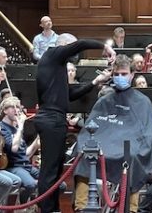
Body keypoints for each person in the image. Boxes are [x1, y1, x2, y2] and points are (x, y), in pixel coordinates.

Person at [34, 33, 115, 213]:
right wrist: (104, 46)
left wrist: (95, 81)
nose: (74, 52)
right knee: (50, 171)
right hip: (51, 119)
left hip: (55, 119)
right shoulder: (53, 54)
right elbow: (81, 44)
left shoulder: (57, 65)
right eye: (71, 47)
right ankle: (47, 210)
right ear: (64, 45)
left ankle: (53, 208)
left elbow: (69, 95)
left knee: (55, 170)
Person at [74, 54, 152, 213]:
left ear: (132, 75)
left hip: (129, 150)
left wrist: (139, 147)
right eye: (116, 74)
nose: (120, 77)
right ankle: (81, 206)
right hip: (104, 146)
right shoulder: (104, 100)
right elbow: (91, 127)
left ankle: (131, 209)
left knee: (134, 157)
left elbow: (149, 134)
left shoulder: (142, 102)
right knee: (83, 152)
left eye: (124, 74)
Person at [0, 96, 41, 204]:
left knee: (58, 184)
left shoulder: (16, 129)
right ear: (5, 111)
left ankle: (39, 205)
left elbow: (25, 153)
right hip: (13, 166)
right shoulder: (1, 128)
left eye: (18, 107)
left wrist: (36, 142)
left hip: (26, 166)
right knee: (31, 184)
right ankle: (23, 206)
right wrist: (21, 127)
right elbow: (13, 149)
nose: (17, 110)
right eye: (13, 107)